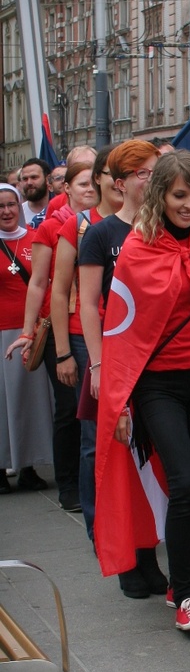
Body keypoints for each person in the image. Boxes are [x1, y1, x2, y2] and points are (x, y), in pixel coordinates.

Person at [94, 150, 190, 632]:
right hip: (159, 384)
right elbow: (122, 328)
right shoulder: (137, 249)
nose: (189, 204)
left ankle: (179, 582)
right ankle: (188, 592)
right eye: (179, 195)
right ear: (160, 195)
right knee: (186, 483)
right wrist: (120, 398)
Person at [79, 140, 167, 599]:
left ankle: (152, 552)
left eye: (157, 171)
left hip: (164, 364)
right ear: (121, 182)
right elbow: (89, 306)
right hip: (117, 366)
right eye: (144, 173)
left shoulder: (166, 230)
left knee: (156, 463)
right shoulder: (101, 234)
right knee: (124, 460)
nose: (152, 179)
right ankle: (132, 558)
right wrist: (96, 363)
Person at [49, 159, 113, 539]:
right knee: (93, 436)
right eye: (91, 179)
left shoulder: (141, 222)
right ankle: (97, 525)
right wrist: (63, 353)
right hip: (83, 339)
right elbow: (57, 291)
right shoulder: (77, 225)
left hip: (128, 338)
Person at [0, 182, 54, 494]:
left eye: (11, 204)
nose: (7, 211)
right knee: (3, 403)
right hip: (1, 330)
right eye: (0, 206)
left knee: (30, 403)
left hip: (31, 331)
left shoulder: (36, 240)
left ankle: (29, 466)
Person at [20, 158, 51, 227]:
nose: (29, 183)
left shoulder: (60, 210)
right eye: (25, 179)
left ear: (47, 179)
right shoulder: (18, 214)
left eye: (34, 177)